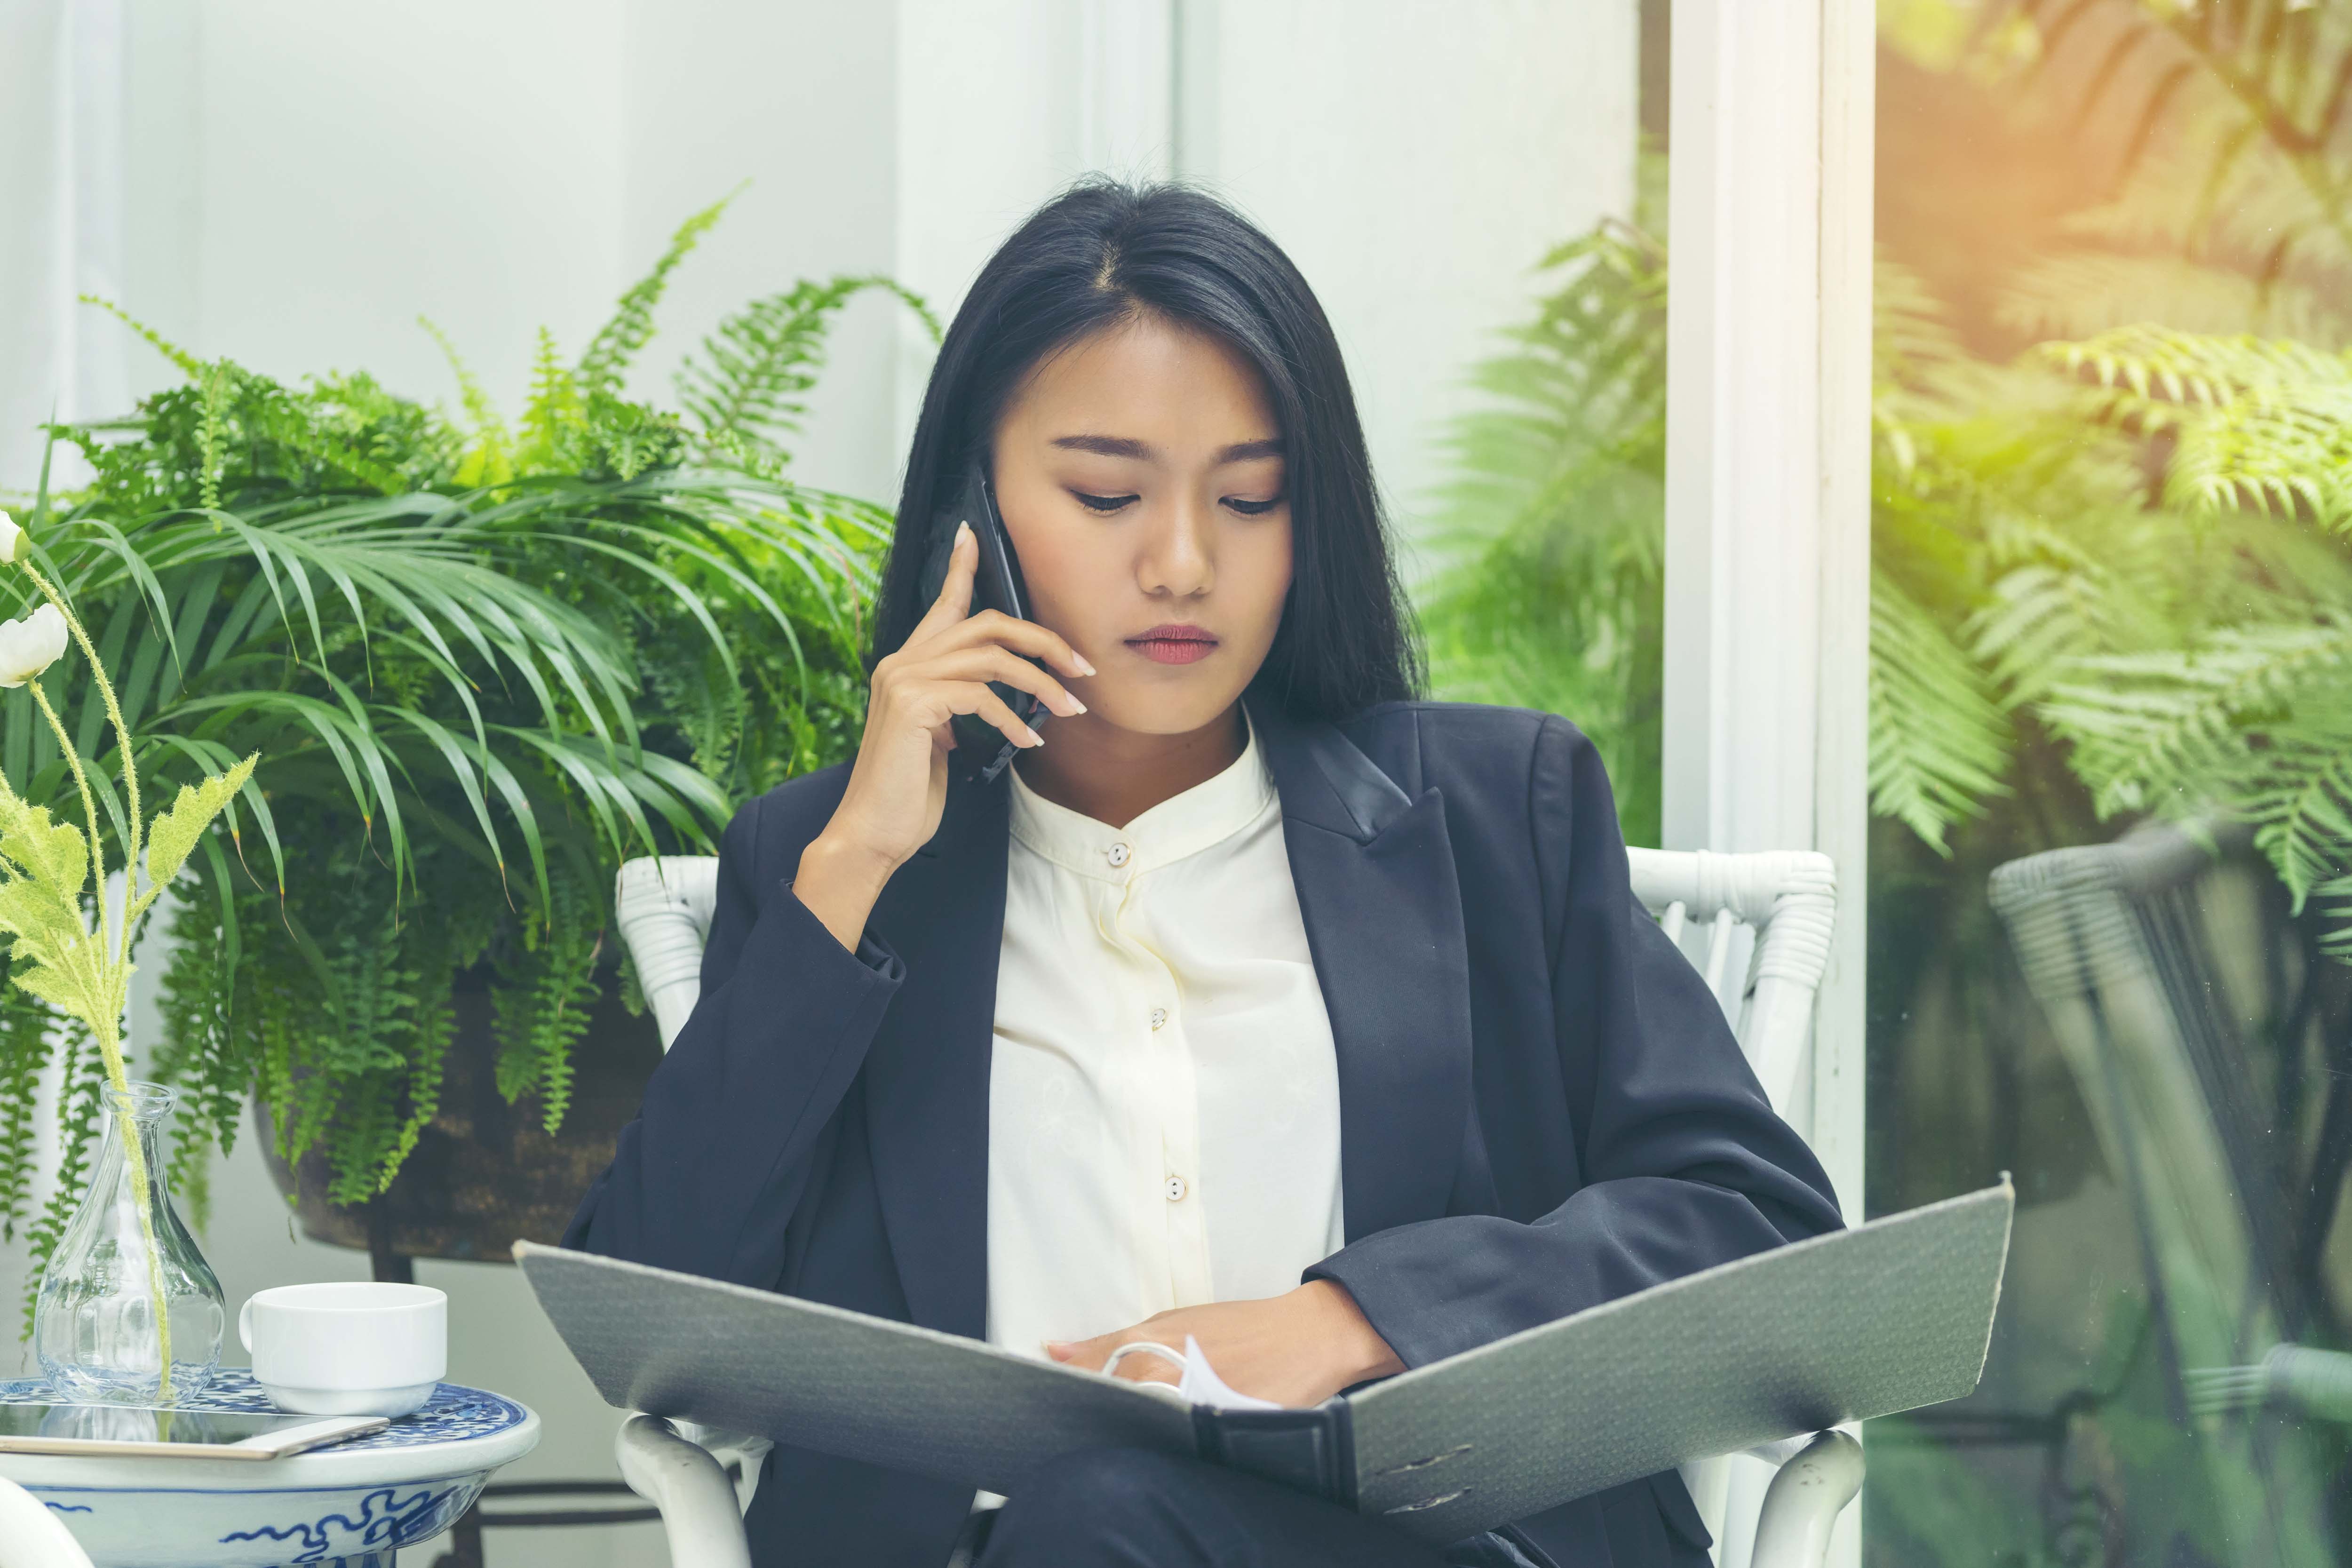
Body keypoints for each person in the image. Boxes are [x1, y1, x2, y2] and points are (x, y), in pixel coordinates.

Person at [564, 179, 1843, 1568]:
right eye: (1107, 494)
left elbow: (1756, 1232)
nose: (1183, 564)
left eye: (1251, 497)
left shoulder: (1495, 814)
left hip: (1449, 1549)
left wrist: (1346, 1324)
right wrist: (856, 867)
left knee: (1105, 1518)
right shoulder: (833, 873)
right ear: (972, 513)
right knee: (1089, 1524)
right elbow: (655, 1323)